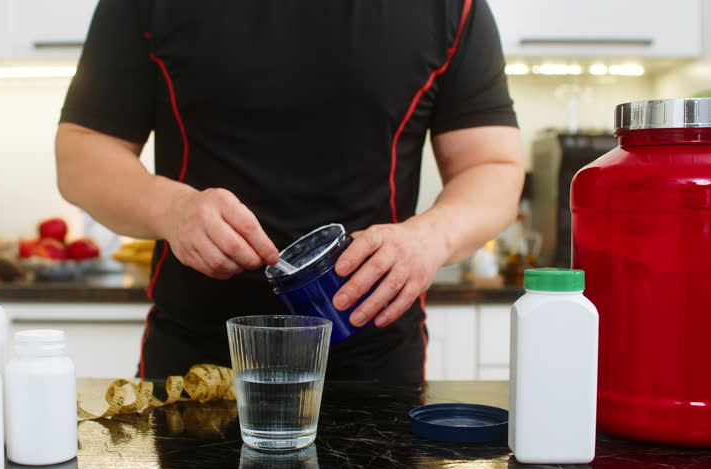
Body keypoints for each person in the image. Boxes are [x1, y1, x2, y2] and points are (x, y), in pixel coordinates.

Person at [55, 0, 524, 383]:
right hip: (197, 369)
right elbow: (82, 153)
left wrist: (432, 237)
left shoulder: (451, 6)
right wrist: (172, 208)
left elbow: (492, 165)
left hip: (373, 367)